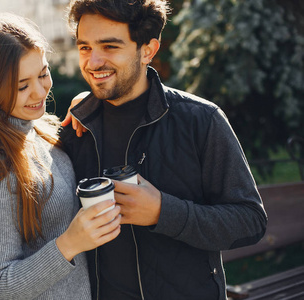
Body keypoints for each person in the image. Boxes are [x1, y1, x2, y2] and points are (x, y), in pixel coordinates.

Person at [58, 0, 268, 299]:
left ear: (148, 50)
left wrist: (162, 212)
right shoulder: (74, 128)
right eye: (85, 47)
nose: (93, 62)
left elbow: (250, 221)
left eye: (110, 47)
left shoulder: (201, 120)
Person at [0, 11, 122, 300]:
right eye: (22, 86)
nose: (40, 92)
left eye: (43, 74)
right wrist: (69, 244)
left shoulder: (40, 131)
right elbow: (0, 285)